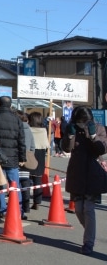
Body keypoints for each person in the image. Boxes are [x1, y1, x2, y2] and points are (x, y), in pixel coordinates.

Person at [61, 106, 107, 255]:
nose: (82, 124)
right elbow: (66, 149)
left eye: (84, 121)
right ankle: (89, 232)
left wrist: (93, 135)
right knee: (79, 209)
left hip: (93, 172)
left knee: (88, 208)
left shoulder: (98, 128)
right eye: (79, 121)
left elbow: (101, 150)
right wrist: (69, 136)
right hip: (77, 172)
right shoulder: (72, 128)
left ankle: (88, 243)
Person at [0, 96, 25, 218]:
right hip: (13, 157)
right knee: (15, 184)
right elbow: (21, 140)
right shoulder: (17, 120)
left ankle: (2, 209)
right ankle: (17, 209)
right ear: (10, 105)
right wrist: (22, 158)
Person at [27, 112, 49, 210]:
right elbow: (46, 145)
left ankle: (25, 202)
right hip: (40, 154)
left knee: (26, 180)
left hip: (30, 153)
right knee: (37, 180)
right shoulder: (44, 130)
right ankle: (37, 202)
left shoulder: (28, 129)